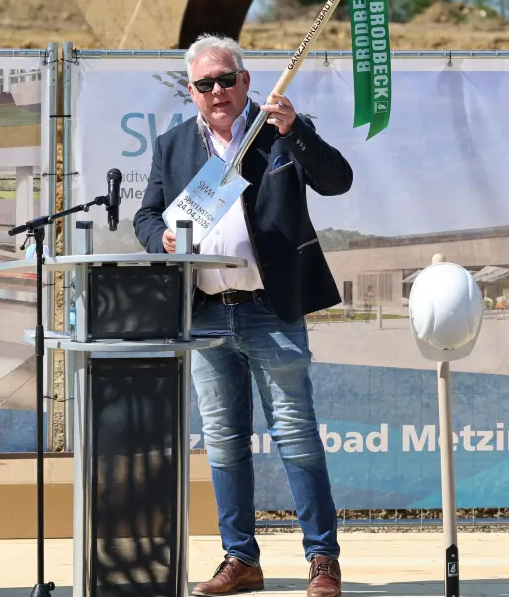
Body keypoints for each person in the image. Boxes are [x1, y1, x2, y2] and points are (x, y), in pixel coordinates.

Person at [133, 34, 353, 597]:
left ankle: (322, 561)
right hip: (206, 313)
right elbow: (146, 214)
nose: (217, 92)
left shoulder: (276, 130)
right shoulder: (174, 144)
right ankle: (241, 559)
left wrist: (296, 131)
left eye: (226, 80)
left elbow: (337, 180)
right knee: (224, 442)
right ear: (192, 92)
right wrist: (159, 238)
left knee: (297, 437)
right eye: (205, 85)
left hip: (270, 310)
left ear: (245, 81)